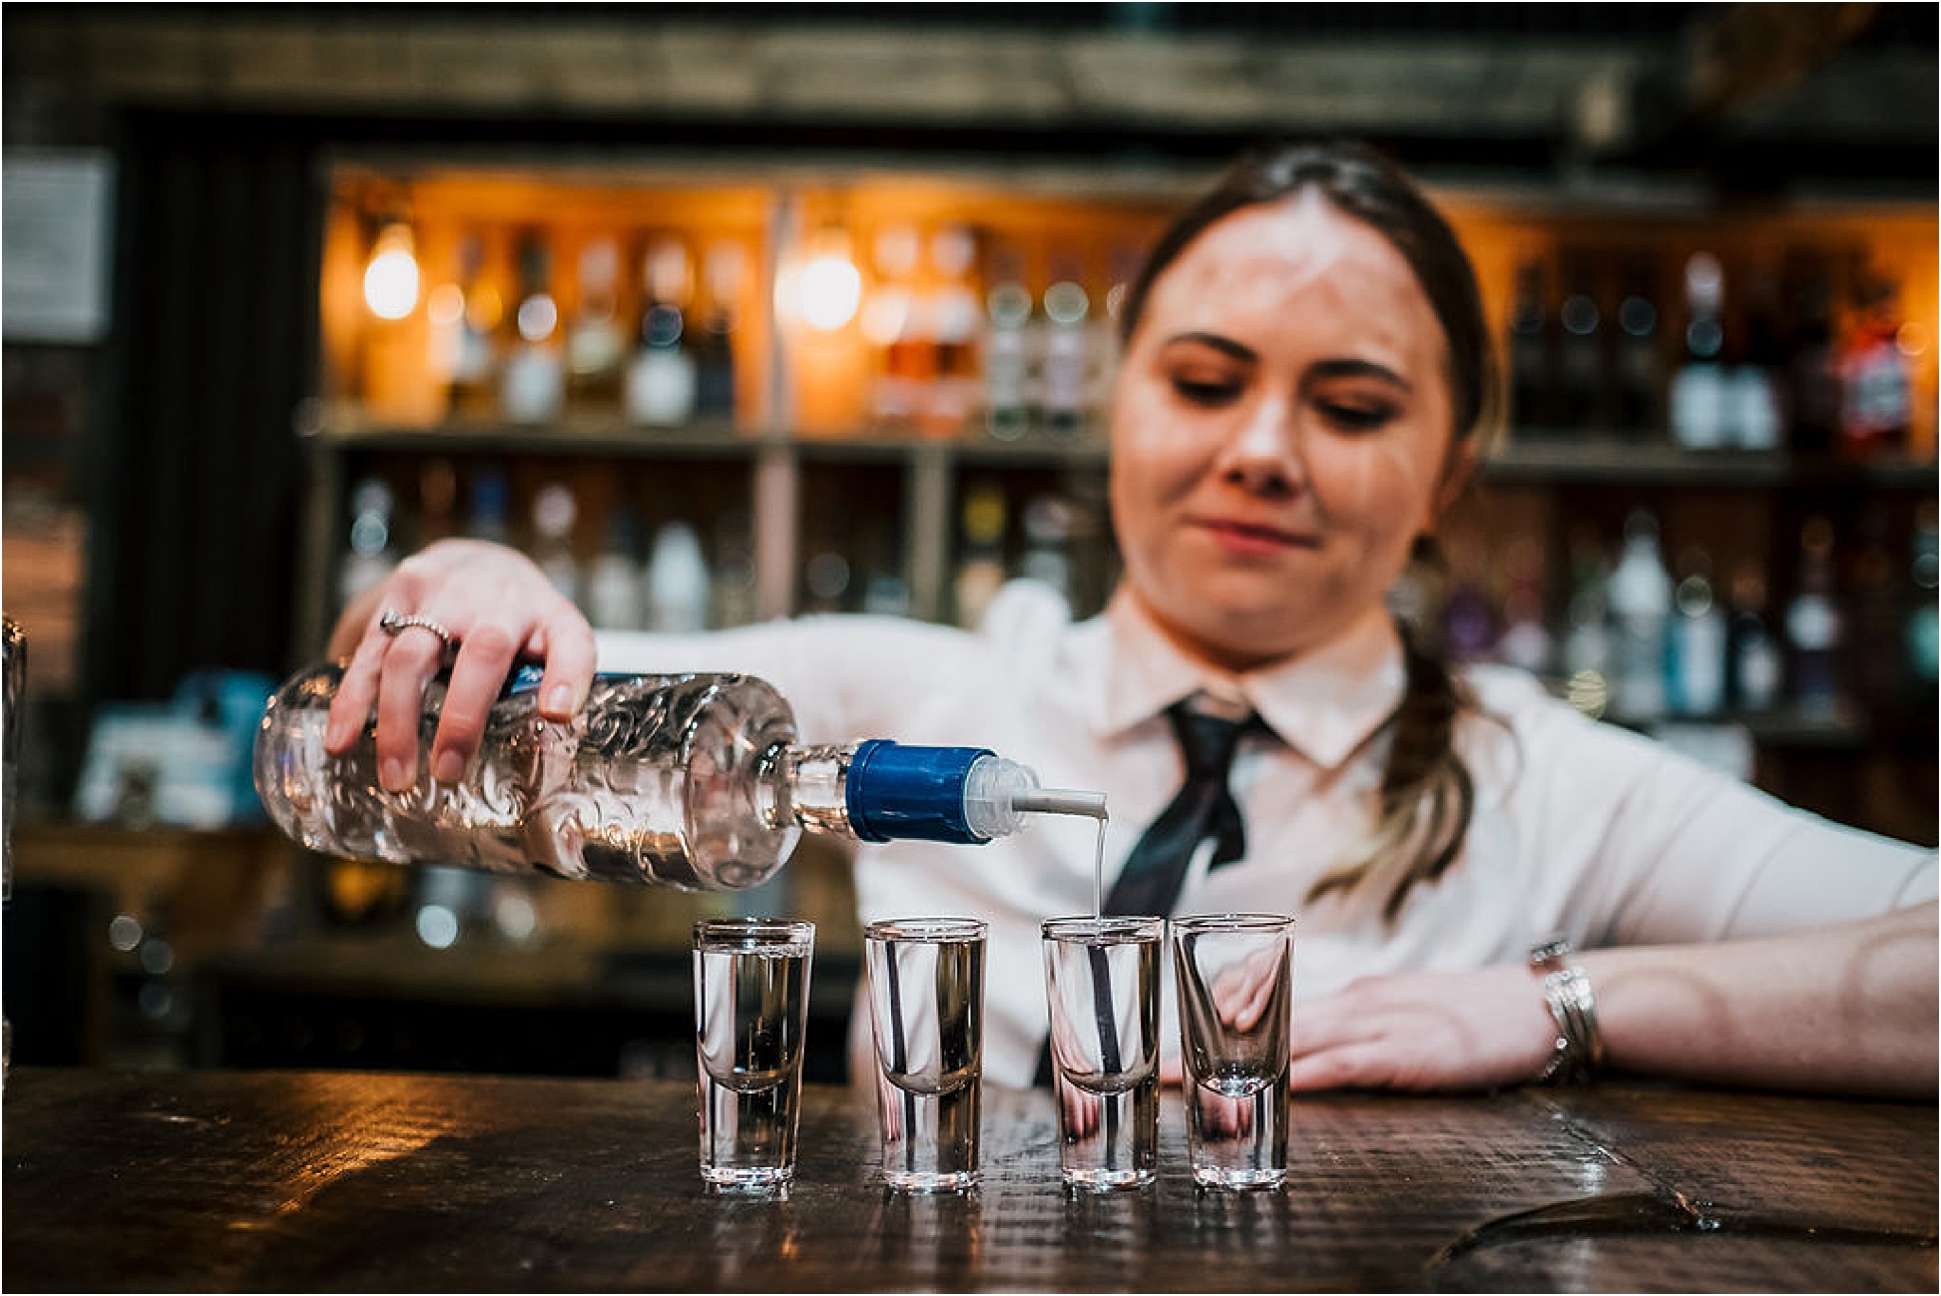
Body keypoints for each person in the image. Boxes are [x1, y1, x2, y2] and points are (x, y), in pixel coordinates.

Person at [324, 141, 1937, 1098]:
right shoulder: (912, 691)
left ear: (1447, 472)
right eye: (1204, 380)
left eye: (1351, 404)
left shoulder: (1547, 784)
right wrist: (463, 594)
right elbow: (413, 713)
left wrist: (1555, 1004)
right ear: (1117, 412)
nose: (1257, 449)